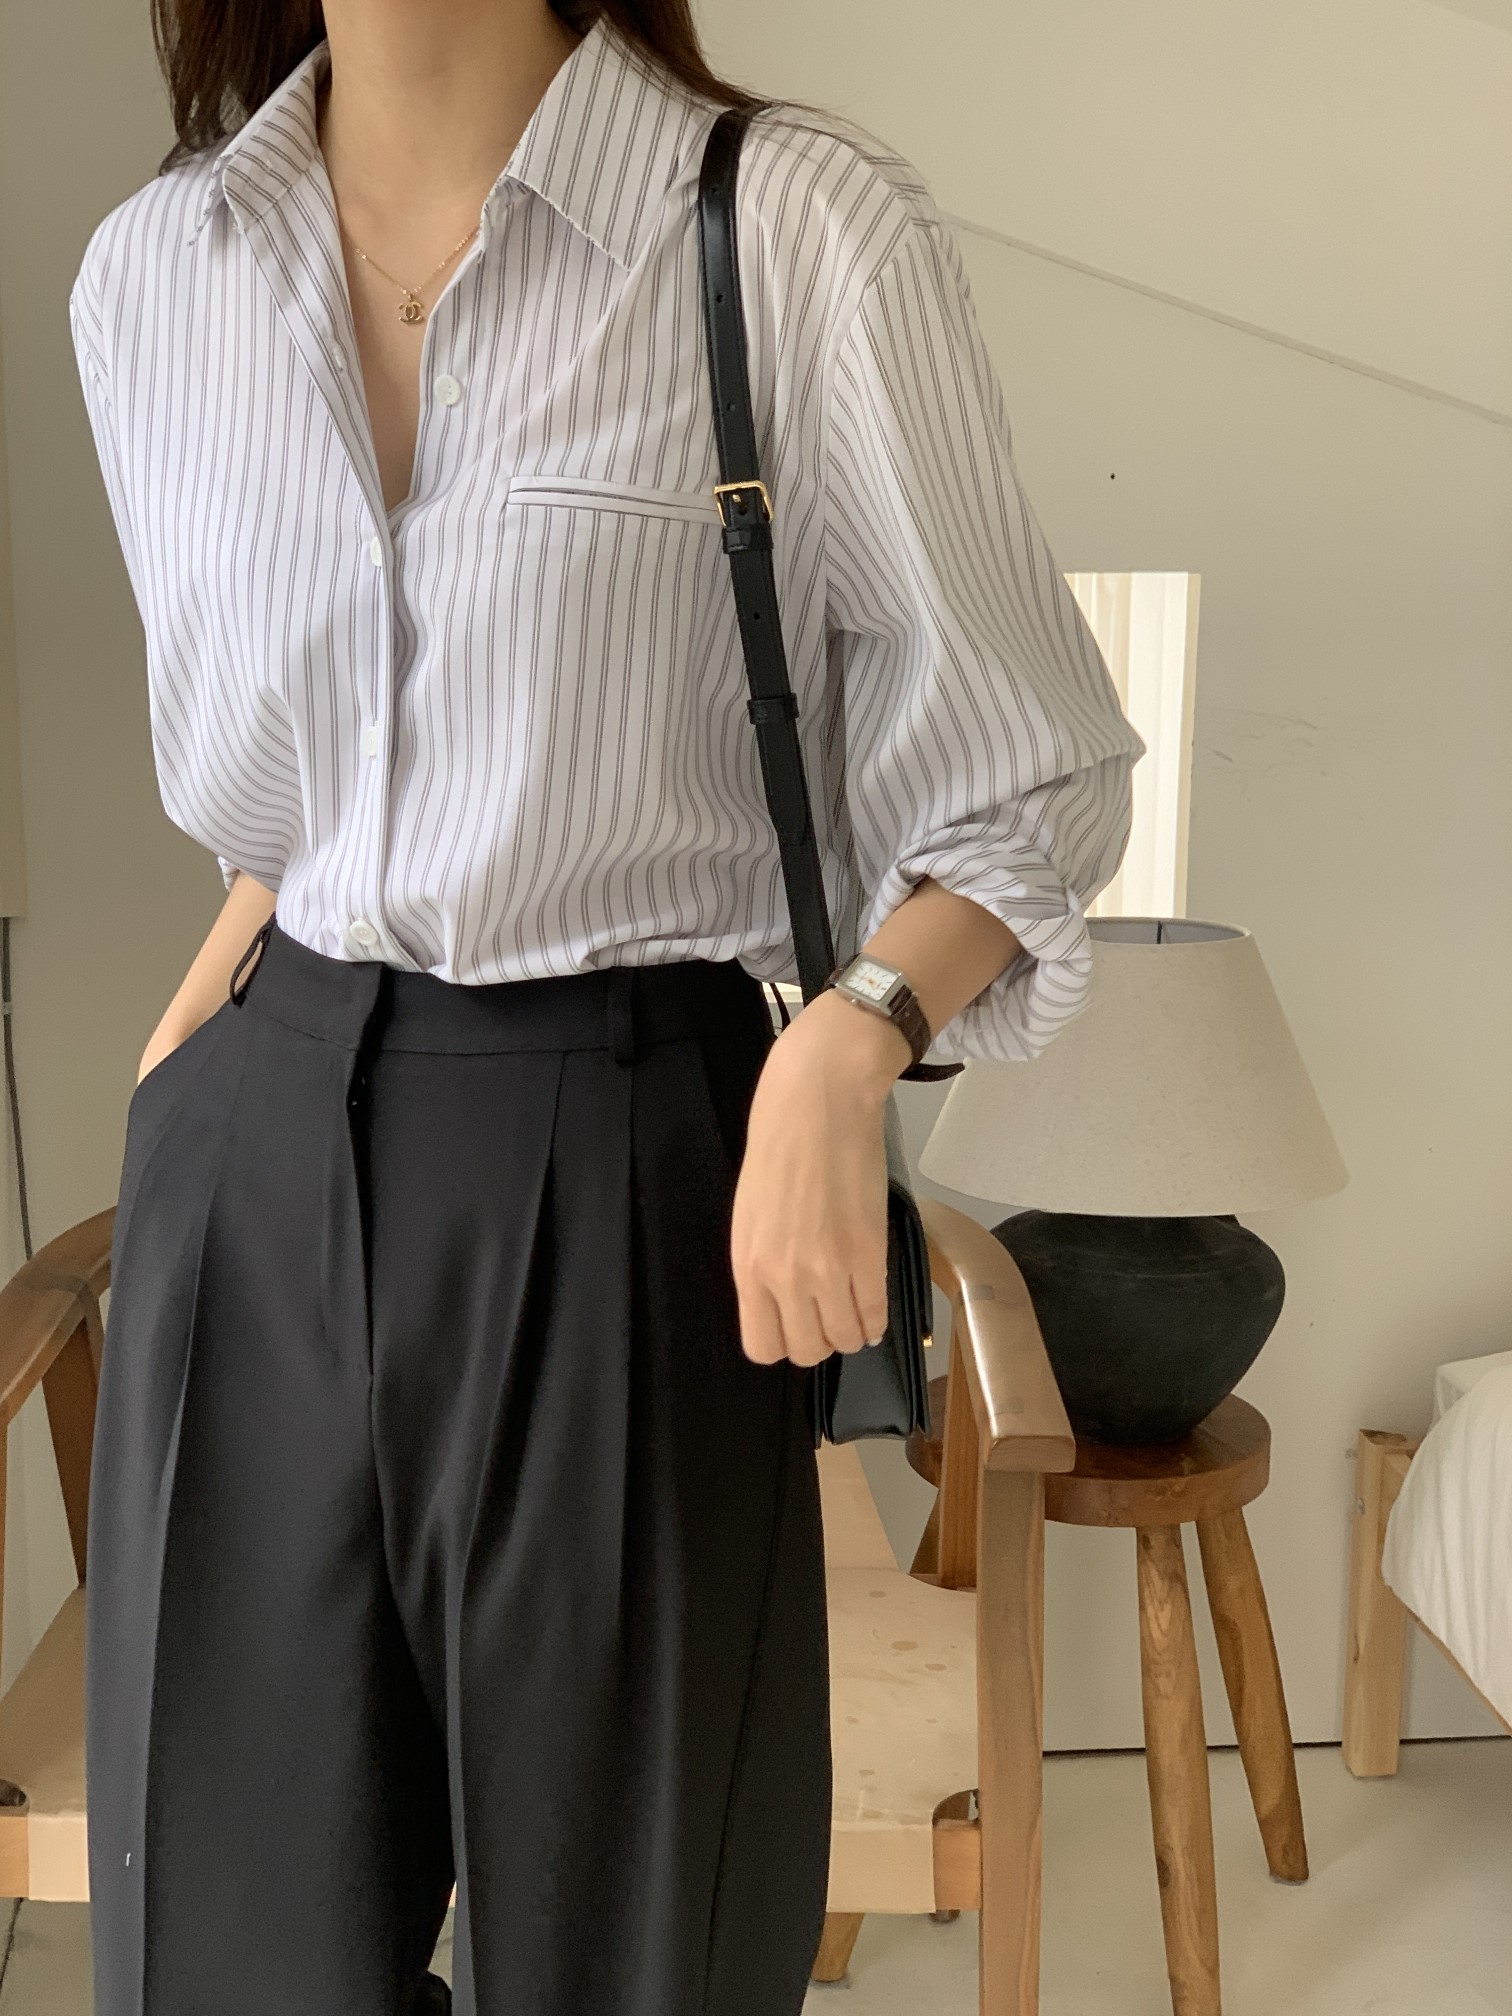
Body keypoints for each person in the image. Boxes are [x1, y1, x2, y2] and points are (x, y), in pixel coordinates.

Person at [67, 2, 1147, 2012]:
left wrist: (849, 1036)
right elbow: (296, 795)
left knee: (634, 1944)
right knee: (222, 1946)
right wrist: (209, 1028)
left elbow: (1034, 781)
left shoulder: (785, 226)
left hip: (619, 1139)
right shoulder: (155, 275)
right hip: (254, 1136)